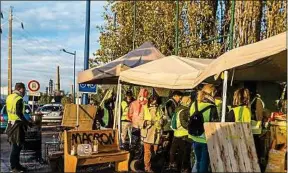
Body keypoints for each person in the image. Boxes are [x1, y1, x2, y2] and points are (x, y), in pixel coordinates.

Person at [189, 84, 219, 173]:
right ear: (212, 93)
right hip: (206, 139)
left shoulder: (194, 104)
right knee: (204, 163)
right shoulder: (212, 107)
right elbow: (214, 124)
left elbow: (190, 117)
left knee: (198, 161)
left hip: (194, 137)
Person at [5, 83, 33, 173]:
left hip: (11, 124)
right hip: (17, 126)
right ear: (20, 89)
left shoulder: (9, 97)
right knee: (16, 147)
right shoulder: (18, 98)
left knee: (16, 146)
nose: (24, 91)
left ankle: (17, 165)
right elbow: (19, 113)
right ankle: (14, 167)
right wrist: (27, 123)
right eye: (24, 89)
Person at [140, 95, 164, 173]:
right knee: (147, 151)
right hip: (147, 133)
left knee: (155, 151)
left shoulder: (159, 109)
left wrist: (162, 121)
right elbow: (139, 120)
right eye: (153, 100)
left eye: (155, 100)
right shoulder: (144, 108)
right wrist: (146, 122)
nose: (154, 102)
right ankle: (147, 167)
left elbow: (163, 118)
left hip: (157, 133)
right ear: (150, 100)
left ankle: (152, 164)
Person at [169, 93, 192, 173]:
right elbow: (184, 123)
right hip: (184, 134)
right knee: (183, 152)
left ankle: (173, 164)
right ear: (187, 102)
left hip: (176, 133)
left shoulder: (177, 108)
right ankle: (182, 167)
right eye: (190, 101)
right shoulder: (185, 110)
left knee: (175, 150)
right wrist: (191, 127)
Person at [162, 91, 183, 159]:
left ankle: (169, 156)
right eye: (179, 97)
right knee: (170, 142)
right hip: (169, 126)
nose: (180, 99)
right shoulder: (170, 102)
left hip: (171, 125)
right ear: (175, 96)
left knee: (171, 142)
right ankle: (166, 157)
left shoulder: (174, 102)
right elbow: (170, 114)